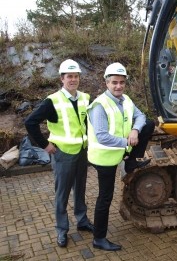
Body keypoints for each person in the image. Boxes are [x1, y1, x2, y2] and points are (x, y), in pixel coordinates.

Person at [24, 59, 93, 248]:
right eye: (69, 76)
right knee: (61, 194)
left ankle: (82, 221)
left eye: (76, 76)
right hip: (62, 154)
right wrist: (45, 145)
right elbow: (30, 122)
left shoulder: (86, 98)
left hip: (81, 152)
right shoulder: (52, 101)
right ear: (62, 79)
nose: (73, 79)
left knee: (80, 189)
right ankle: (62, 230)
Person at [87, 62, 155, 251]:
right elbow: (101, 136)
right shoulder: (99, 106)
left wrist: (134, 130)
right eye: (114, 82)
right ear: (106, 83)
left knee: (148, 124)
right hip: (104, 158)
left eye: (121, 82)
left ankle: (130, 162)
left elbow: (141, 116)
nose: (118, 86)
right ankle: (99, 238)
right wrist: (127, 142)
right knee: (105, 198)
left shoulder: (125, 99)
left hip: (119, 153)